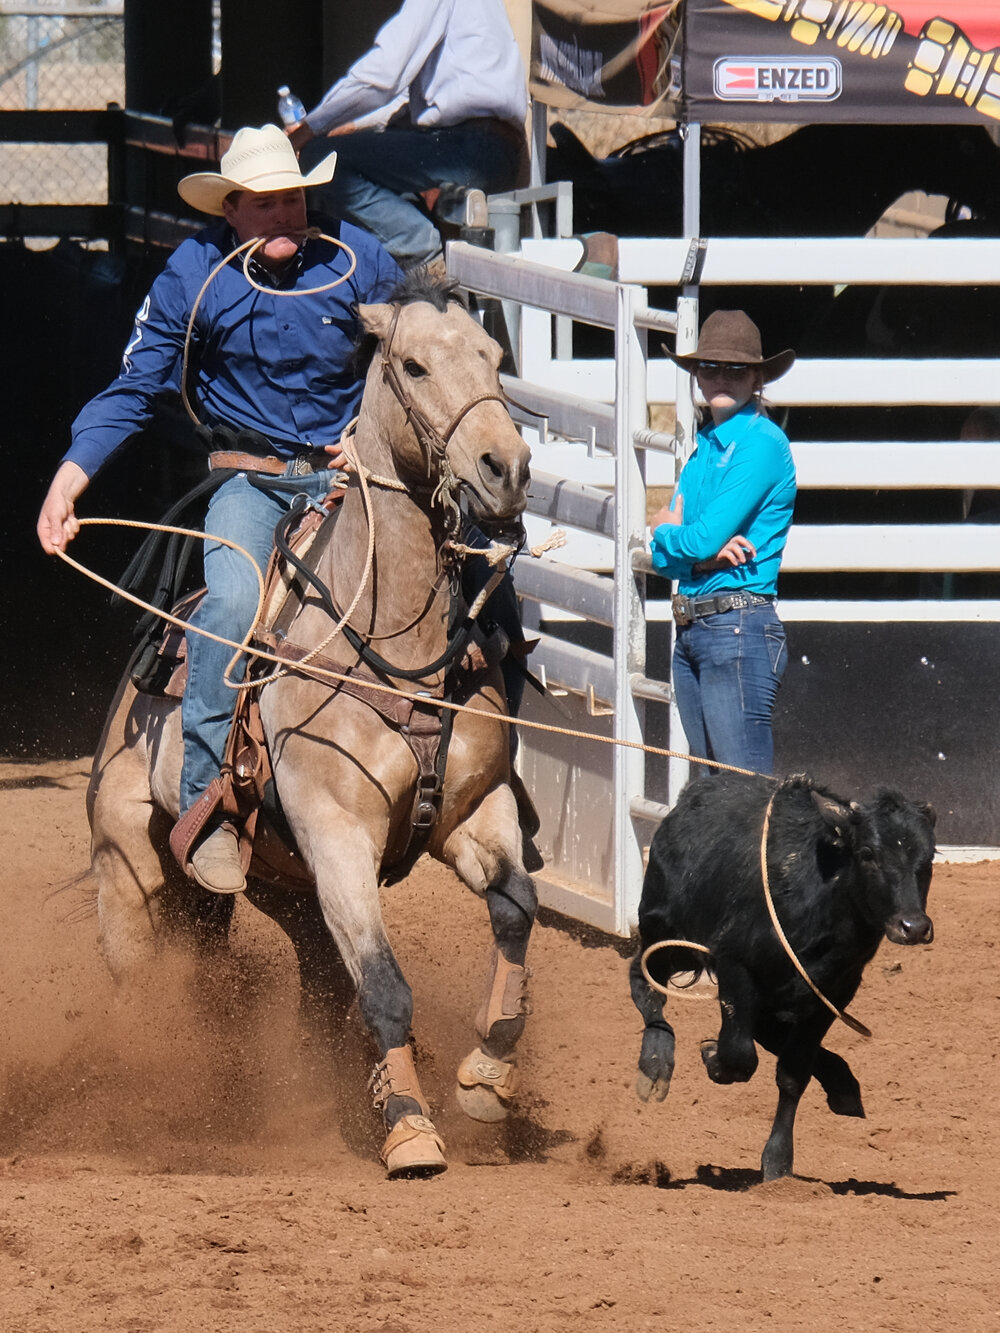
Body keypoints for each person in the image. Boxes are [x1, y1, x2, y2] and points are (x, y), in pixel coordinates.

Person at [37, 124, 403, 894]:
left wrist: (367, 438)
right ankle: (208, 799)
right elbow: (136, 385)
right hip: (251, 480)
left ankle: (488, 765)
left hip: (352, 477)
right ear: (230, 208)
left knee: (451, 572)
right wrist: (70, 477)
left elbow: (413, 360)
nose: (285, 214)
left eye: (295, 198)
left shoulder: (359, 260)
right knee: (233, 599)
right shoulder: (194, 273)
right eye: (266, 203)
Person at [649, 309, 797, 776]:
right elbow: (668, 557)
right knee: (720, 797)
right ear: (696, 374)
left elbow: (689, 537)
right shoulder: (706, 447)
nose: (720, 377)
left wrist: (667, 534)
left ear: (756, 378)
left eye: (736, 369)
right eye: (710, 366)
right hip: (702, 628)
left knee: (741, 794)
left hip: (737, 625)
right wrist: (699, 556)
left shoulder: (762, 443)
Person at [287, 0, 527, 270]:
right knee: (381, 174)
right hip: (495, 152)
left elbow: (385, 73)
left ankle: (422, 251)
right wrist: (349, 125)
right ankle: (428, 248)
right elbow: (405, 93)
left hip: (467, 148)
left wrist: (308, 129)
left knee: (321, 159)